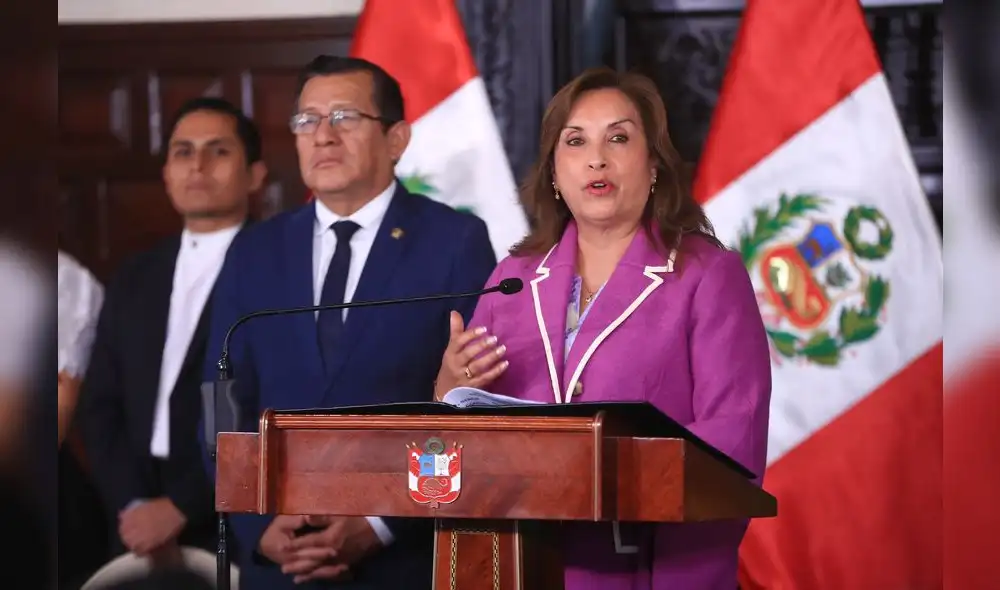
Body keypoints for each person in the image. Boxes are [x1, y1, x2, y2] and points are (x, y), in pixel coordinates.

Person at [433, 67, 772, 590]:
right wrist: (449, 386)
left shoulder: (705, 275)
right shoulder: (512, 280)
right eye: (576, 141)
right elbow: (461, 441)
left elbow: (730, 453)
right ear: (553, 171)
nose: (597, 158)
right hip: (520, 566)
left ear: (654, 163)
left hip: (646, 571)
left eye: (618, 137)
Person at [202, 55, 496, 590]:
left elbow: (471, 409)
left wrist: (383, 524)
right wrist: (254, 525)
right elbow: (219, 399)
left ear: (397, 138)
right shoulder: (256, 250)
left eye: (344, 117)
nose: (322, 136)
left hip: (403, 563)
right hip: (279, 564)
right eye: (307, 120)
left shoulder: (455, 243)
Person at [78, 97, 266, 567]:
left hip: (234, 516)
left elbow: (268, 406)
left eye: (218, 151)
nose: (197, 165)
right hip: (133, 518)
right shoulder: (136, 274)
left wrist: (184, 505)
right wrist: (134, 503)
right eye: (183, 151)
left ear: (255, 175)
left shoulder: (276, 271)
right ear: (166, 173)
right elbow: (100, 403)